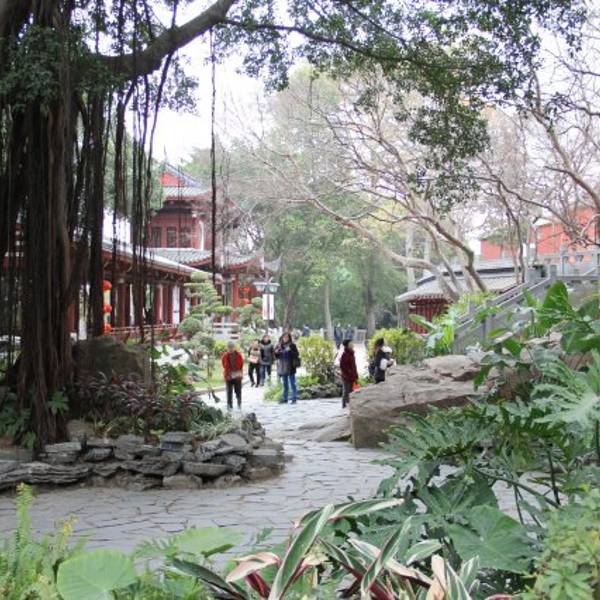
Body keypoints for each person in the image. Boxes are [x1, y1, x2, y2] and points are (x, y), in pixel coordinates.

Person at [274, 332, 300, 404]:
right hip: (283, 367)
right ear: (282, 338)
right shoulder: (279, 346)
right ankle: (285, 398)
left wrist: (290, 350)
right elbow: (276, 356)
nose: (285, 339)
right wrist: (276, 352)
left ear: (289, 338)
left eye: (287, 337)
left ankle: (294, 398)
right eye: (284, 337)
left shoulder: (292, 345)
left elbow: (297, 354)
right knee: (285, 384)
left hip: (291, 366)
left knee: (292, 383)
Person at [221, 341, 244, 409]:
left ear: (234, 347)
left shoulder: (239, 355)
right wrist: (228, 372)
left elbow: (241, 364)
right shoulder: (225, 356)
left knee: (238, 391)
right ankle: (229, 405)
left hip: (237, 376)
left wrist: (237, 371)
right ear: (227, 348)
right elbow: (223, 364)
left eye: (232, 347)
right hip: (228, 376)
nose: (230, 349)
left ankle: (239, 403)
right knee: (229, 392)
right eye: (229, 347)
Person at [340, 339, 359, 408]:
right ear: (347, 345)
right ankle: (344, 406)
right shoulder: (345, 354)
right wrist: (349, 372)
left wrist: (356, 375)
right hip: (346, 377)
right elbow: (342, 366)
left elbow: (354, 366)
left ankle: (350, 405)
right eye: (351, 343)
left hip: (352, 376)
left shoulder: (352, 353)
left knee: (352, 391)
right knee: (346, 391)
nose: (353, 344)